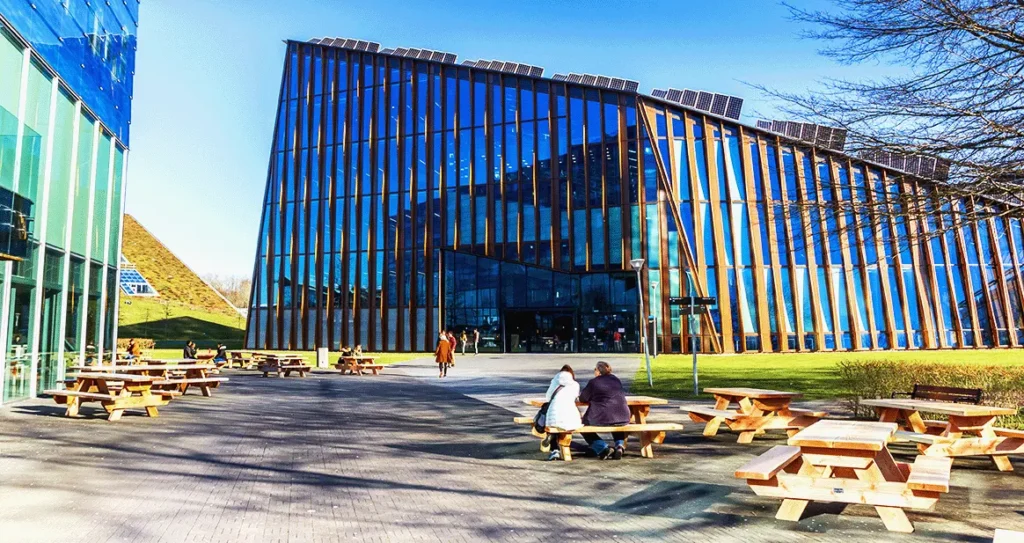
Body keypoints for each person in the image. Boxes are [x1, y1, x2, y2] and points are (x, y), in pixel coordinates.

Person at [579, 361, 631, 460]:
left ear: (598, 371)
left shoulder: (594, 382)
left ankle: (603, 448)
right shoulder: (616, 380)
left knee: (583, 426)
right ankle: (620, 446)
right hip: (622, 415)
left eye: (595, 369)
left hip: (601, 416)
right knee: (616, 423)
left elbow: (583, 398)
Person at [542, 365, 583, 461]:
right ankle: (553, 440)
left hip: (554, 414)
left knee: (554, 425)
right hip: (570, 416)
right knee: (563, 424)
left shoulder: (555, 382)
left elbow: (548, 397)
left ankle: (555, 450)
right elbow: (575, 397)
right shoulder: (575, 384)